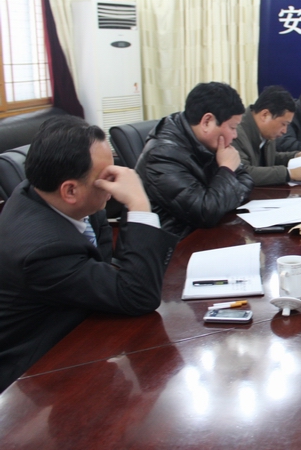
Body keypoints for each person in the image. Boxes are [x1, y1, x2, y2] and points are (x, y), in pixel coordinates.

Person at [0, 116, 178, 393]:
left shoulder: (57, 197)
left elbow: (108, 266)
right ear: (70, 190)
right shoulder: (42, 251)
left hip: (82, 328)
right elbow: (138, 296)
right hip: (37, 372)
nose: (117, 180)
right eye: (107, 176)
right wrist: (139, 205)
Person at [136, 82, 254, 239]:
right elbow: (205, 212)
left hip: (205, 233)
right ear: (207, 122)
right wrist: (226, 169)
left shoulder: (206, 142)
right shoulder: (161, 156)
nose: (235, 135)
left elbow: (246, 180)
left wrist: (222, 195)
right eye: (232, 127)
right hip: (175, 244)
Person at [232, 85, 301, 185]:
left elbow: (270, 157)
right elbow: (243, 173)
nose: (285, 131)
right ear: (265, 115)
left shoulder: (265, 132)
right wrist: (289, 173)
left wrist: (296, 156)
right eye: (283, 124)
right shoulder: (235, 132)